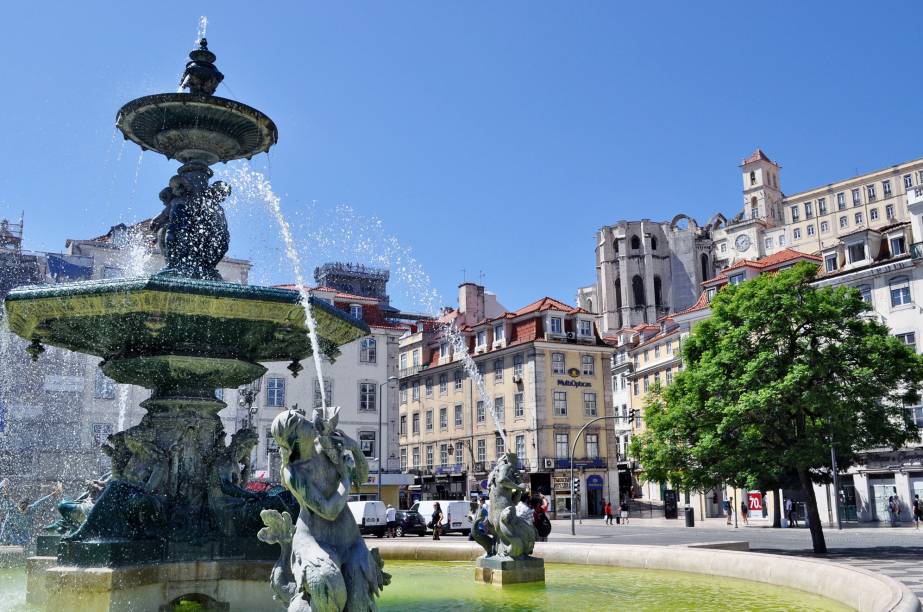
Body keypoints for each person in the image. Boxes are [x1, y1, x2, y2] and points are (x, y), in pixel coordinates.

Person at [0, 479, 64, 546]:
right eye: (21, 509)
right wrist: (5, 488)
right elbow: (6, 497)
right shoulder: (14, 509)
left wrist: (53, 494)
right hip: (12, 530)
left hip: (24, 534)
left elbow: (41, 501)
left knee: (25, 539)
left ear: (27, 507)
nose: (23, 511)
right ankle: (3, 541)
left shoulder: (31, 509)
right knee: (9, 518)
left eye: (24, 509)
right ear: (18, 506)